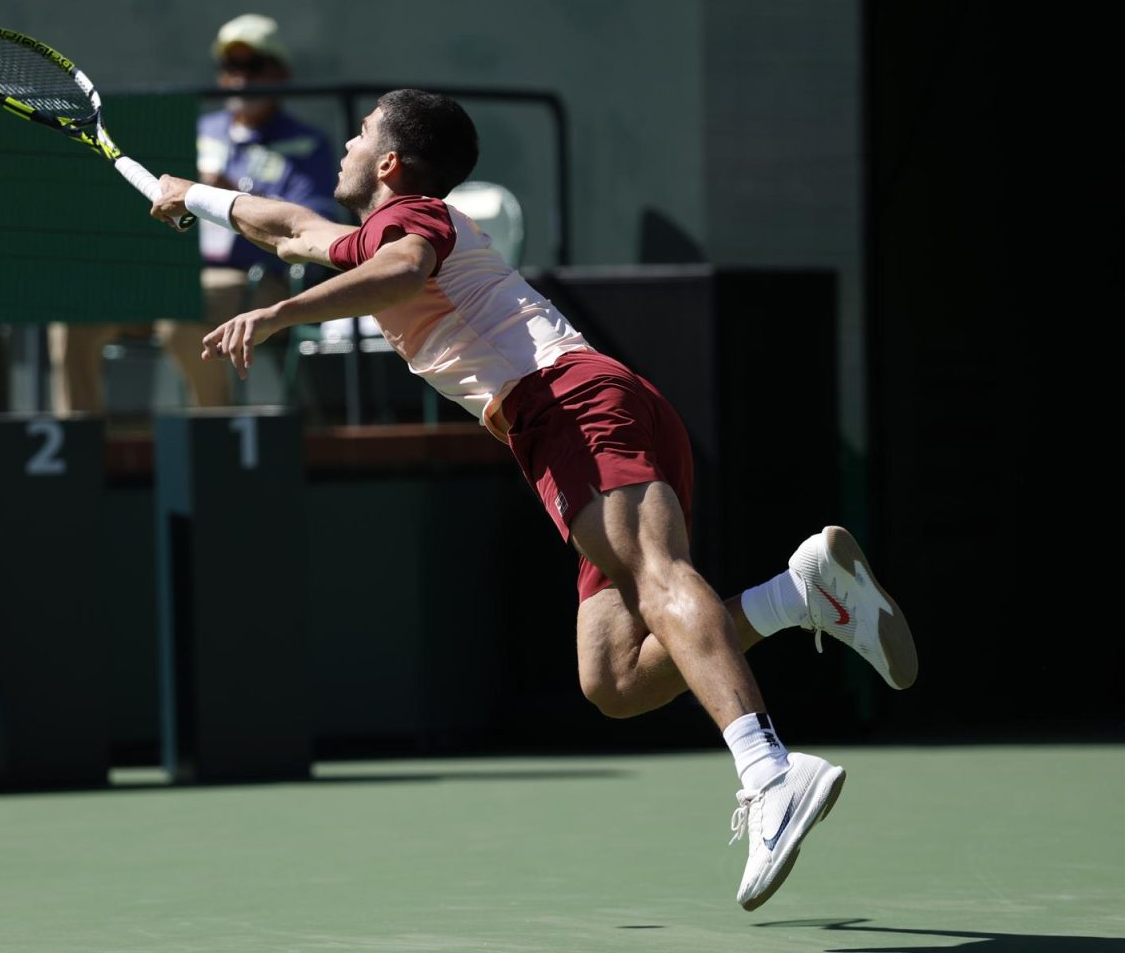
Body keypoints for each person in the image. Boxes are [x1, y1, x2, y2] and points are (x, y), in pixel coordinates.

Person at [148, 88, 919, 911]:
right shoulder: (378, 233)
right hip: (579, 411)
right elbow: (289, 228)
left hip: (566, 404)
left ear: (391, 164)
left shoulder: (418, 224)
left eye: (359, 132)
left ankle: (769, 770)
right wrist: (189, 194)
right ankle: (799, 593)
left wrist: (281, 314)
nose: (342, 144)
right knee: (615, 678)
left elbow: (398, 270)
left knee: (658, 573)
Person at [47, 13, 338, 414]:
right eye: (230, 67)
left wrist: (227, 195)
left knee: (182, 311)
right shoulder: (197, 131)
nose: (241, 78)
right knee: (73, 314)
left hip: (255, 276)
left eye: (254, 66)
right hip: (166, 271)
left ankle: (213, 439)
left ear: (281, 73)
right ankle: (78, 451)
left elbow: (316, 221)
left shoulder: (306, 144)